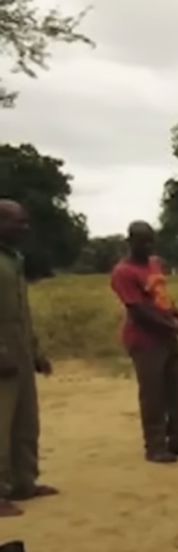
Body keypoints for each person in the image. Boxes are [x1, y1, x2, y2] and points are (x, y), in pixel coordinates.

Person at [110, 221, 178, 464]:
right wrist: (177, 327)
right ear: (130, 242)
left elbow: (160, 299)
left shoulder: (154, 264)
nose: (148, 246)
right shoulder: (123, 273)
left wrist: (177, 313)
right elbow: (140, 312)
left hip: (166, 337)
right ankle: (155, 446)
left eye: (151, 240)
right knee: (153, 394)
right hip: (144, 341)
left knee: (175, 389)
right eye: (143, 241)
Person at [0, 200, 55, 518]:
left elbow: (21, 313)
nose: (25, 228)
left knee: (25, 419)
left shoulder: (14, 260)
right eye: (18, 222)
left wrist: (34, 352)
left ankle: (24, 481)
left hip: (19, 349)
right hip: (2, 352)